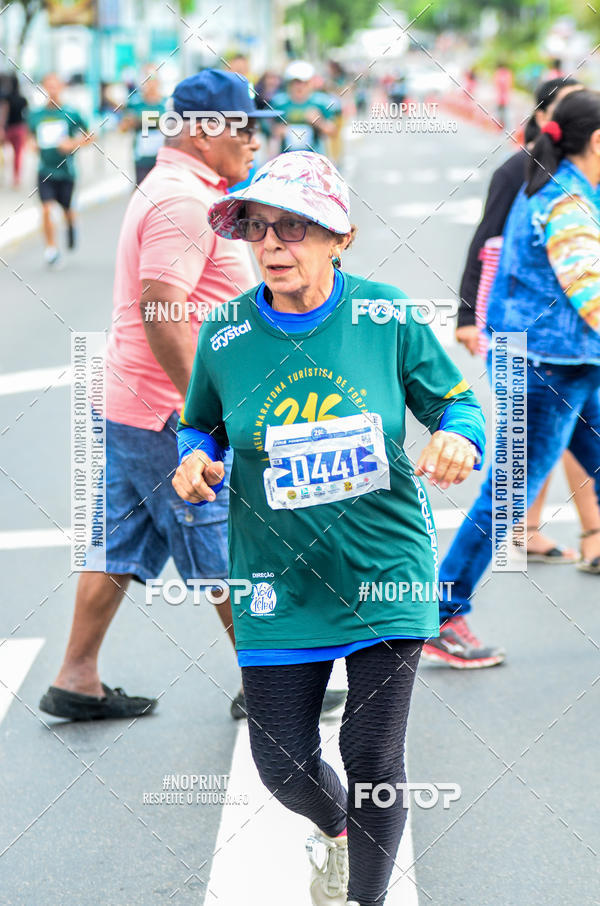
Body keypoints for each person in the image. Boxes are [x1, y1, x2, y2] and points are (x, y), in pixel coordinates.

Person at [172, 150, 485, 906]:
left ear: (340, 238)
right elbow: (200, 427)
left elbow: (457, 404)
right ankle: (339, 829)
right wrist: (195, 461)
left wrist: (457, 438)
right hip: (278, 577)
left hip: (384, 565)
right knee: (281, 762)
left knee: (372, 751)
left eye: (295, 230)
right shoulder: (224, 336)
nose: (273, 246)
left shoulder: (387, 315)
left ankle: (365, 898)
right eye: (258, 228)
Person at [38, 69, 280, 722]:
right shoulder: (182, 199)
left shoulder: (184, 187)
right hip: (164, 412)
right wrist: (202, 416)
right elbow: (162, 310)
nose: (257, 139)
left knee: (119, 545)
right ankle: (270, 686)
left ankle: (76, 677)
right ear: (204, 132)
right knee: (227, 539)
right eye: (245, 126)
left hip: (134, 406)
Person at [437, 78, 600, 668]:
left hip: (569, 360)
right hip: (549, 366)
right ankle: (442, 611)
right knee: (508, 497)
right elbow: (589, 289)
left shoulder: (568, 184)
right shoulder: (566, 203)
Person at [27, 73, 94, 266]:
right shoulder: (36, 115)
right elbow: (30, 136)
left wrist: (72, 143)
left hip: (66, 171)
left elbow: (90, 136)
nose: (52, 90)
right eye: (49, 86)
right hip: (45, 170)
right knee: (46, 209)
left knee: (67, 209)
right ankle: (51, 248)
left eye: (56, 86)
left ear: (62, 87)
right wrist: (32, 144)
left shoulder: (71, 113)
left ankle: (72, 226)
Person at [272, 61, 336, 155]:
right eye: (296, 82)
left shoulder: (320, 101)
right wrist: (278, 131)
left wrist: (318, 122)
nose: (300, 86)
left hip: (314, 156)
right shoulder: (279, 103)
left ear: (310, 83)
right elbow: (269, 129)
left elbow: (332, 131)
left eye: (304, 83)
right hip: (287, 157)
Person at [120, 71, 166, 185]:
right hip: (142, 159)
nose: (150, 84)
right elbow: (122, 128)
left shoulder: (168, 103)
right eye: (147, 80)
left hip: (163, 159)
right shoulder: (134, 103)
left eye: (153, 80)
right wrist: (131, 122)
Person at [0, 73, 28, 188]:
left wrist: (1, 127)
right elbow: (27, 115)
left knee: (2, 152)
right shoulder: (23, 99)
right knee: (18, 154)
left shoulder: (6, 98)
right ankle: (16, 178)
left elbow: (3, 114)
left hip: (8, 129)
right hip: (20, 128)